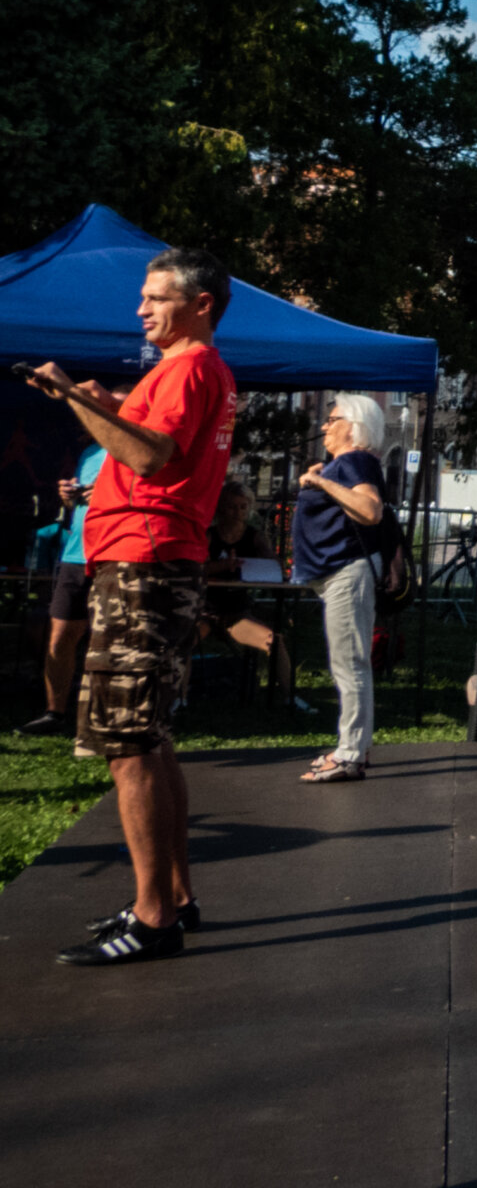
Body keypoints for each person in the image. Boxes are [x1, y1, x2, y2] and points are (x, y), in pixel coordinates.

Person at [26, 249, 238, 967]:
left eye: (155, 298)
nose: (140, 310)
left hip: (144, 563)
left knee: (127, 742)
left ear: (200, 304)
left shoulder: (186, 367)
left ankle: (154, 918)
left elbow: (149, 459)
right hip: (151, 558)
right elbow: (161, 448)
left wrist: (81, 402)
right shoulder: (189, 371)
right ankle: (172, 897)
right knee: (149, 736)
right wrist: (110, 405)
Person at [292, 396, 389, 784]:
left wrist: (321, 481)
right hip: (337, 572)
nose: (325, 426)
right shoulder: (346, 464)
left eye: (333, 419)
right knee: (349, 663)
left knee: (349, 665)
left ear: (354, 425)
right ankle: (356, 745)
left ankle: (349, 754)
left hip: (345, 572)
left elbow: (370, 510)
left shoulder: (354, 460)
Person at [18, 432, 110, 739]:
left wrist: (109, 495)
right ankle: (54, 712)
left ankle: (102, 715)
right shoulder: (90, 452)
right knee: (59, 638)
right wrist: (69, 497)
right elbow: (81, 504)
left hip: (114, 555)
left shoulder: (138, 448)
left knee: (106, 639)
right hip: (75, 555)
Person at [202, 480, 294, 697]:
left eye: (243, 506)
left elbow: (272, 566)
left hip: (237, 614)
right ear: (221, 507)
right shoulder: (208, 535)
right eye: (232, 506)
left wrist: (276, 565)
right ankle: (179, 701)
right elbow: (197, 569)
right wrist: (222, 566)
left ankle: (290, 698)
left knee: (274, 640)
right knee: (183, 643)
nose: (237, 512)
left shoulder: (254, 536)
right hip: (205, 611)